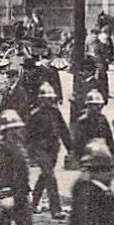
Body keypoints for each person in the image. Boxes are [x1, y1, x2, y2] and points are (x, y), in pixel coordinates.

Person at [27, 84, 72, 218]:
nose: (49, 101)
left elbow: (63, 130)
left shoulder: (55, 112)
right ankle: (55, 209)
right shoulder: (35, 115)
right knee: (50, 176)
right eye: (46, 99)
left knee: (45, 176)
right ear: (41, 100)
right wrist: (28, 152)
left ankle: (34, 203)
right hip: (40, 149)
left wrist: (71, 148)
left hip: (53, 148)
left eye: (50, 98)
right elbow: (28, 135)